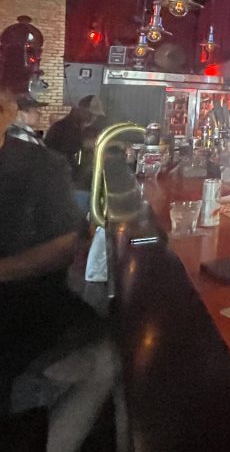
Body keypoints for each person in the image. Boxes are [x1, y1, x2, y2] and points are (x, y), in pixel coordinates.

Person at [0, 88, 114, 448]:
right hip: (21, 317)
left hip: (29, 304)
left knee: (109, 351)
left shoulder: (41, 165)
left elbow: (64, 247)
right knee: (107, 357)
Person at [44, 94, 103, 168]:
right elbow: (77, 144)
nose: (94, 118)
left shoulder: (76, 126)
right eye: (91, 114)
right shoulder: (64, 127)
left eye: (96, 116)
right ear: (81, 109)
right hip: (56, 168)